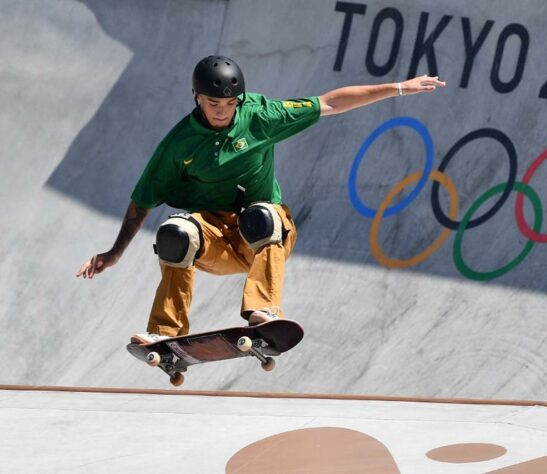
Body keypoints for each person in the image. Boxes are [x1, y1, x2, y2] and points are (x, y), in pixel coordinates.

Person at [76, 55, 446, 344]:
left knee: (262, 215)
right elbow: (142, 202)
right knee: (174, 232)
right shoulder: (178, 144)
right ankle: (165, 332)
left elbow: (330, 102)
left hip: (264, 238)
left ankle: (263, 309)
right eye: (212, 103)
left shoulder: (261, 116)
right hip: (216, 243)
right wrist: (114, 253)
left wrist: (399, 87)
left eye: (229, 103)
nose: (221, 111)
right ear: (196, 97)